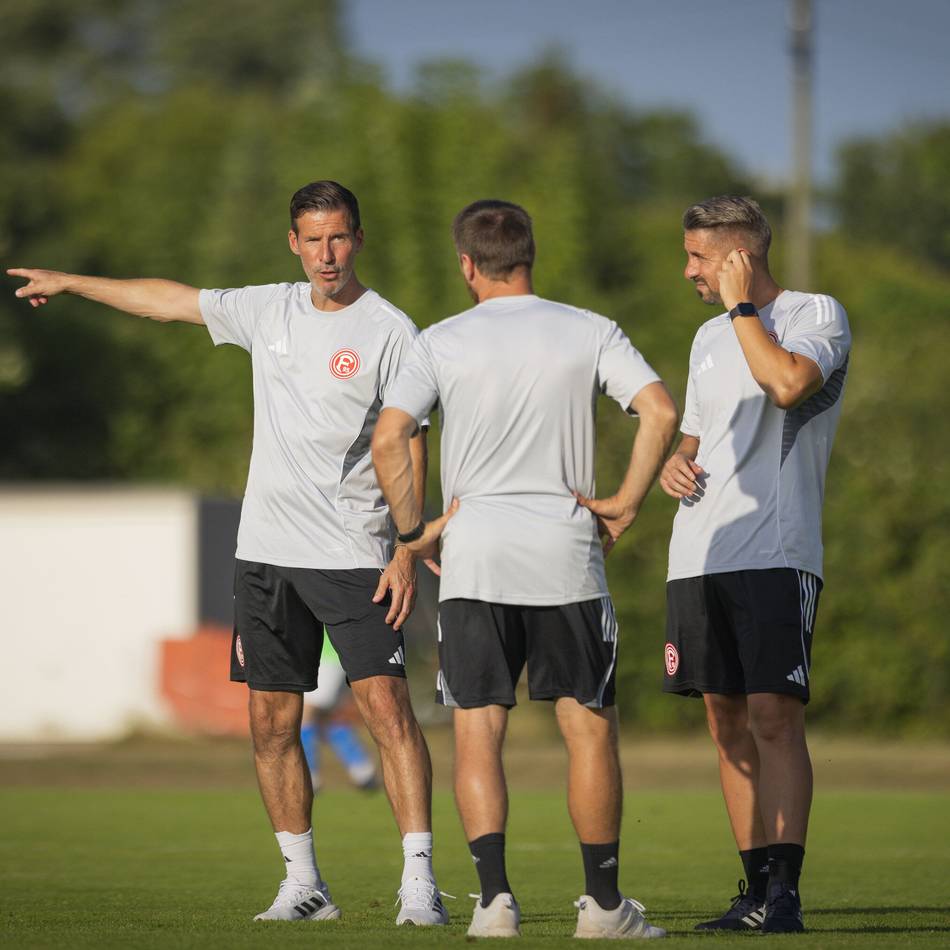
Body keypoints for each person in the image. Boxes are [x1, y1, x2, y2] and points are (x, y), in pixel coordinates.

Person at [7, 180, 451, 927]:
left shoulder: (392, 331)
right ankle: (304, 886)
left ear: (358, 239)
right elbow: (167, 300)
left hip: (354, 556)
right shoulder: (266, 309)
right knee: (271, 725)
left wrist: (408, 546)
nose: (326, 254)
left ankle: (418, 884)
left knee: (387, 713)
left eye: (338, 238)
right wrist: (72, 282)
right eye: (312, 240)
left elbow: (412, 443)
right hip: (266, 555)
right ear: (293, 243)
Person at [372, 200, 678, 940]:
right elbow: (661, 413)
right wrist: (626, 504)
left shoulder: (439, 341)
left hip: (474, 558)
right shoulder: (589, 329)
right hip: (565, 558)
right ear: (531, 257)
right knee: (588, 733)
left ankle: (493, 904)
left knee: (477, 732)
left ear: (467, 265)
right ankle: (603, 908)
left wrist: (414, 532)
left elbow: (390, 441)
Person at [659, 195, 851, 934]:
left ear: (741, 256)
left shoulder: (814, 314)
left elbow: (787, 385)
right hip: (698, 558)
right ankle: (750, 893)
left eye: (700, 258)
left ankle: (785, 894)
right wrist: (679, 462)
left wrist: (744, 311)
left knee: (775, 717)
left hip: (777, 553)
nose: (688, 271)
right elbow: (697, 434)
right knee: (724, 723)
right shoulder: (707, 337)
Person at [302, 636, 378, 793]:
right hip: (334, 654)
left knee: (306, 715)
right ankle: (362, 769)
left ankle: (309, 775)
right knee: (326, 719)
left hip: (328, 655)